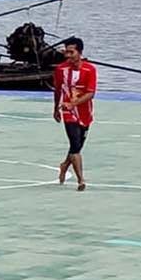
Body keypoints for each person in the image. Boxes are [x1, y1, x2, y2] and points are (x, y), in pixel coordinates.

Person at [52, 36, 97, 191]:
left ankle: (65, 165)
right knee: (75, 145)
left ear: (79, 52)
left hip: (85, 112)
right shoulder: (60, 70)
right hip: (67, 112)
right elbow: (58, 90)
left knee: (77, 145)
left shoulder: (90, 69)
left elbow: (91, 93)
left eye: (71, 52)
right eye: (66, 52)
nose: (68, 55)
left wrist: (74, 103)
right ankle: (81, 180)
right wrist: (56, 108)